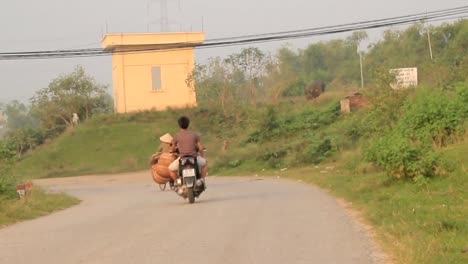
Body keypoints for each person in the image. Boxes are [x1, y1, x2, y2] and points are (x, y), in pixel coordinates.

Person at [168, 116, 207, 184]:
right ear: (188, 124)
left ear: (179, 125)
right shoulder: (194, 135)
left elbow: (172, 149)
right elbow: (200, 148)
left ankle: (177, 181)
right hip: (194, 158)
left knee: (170, 169)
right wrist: (202, 156)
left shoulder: (177, 136)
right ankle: (202, 180)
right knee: (205, 164)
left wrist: (171, 151)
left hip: (182, 159)